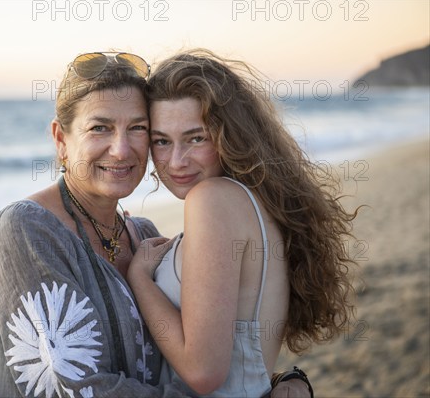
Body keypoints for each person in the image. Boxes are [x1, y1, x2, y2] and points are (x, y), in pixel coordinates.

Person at [0, 51, 312, 397]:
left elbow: (205, 350)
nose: (122, 149)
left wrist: (281, 379)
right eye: (100, 128)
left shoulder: (146, 237)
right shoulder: (27, 231)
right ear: (62, 141)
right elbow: (74, 386)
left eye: (138, 129)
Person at [128, 49, 356, 397]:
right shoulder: (251, 203)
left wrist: (139, 278)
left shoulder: (213, 200)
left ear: (229, 135)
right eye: (161, 141)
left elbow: (203, 372)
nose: (175, 161)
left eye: (196, 138)